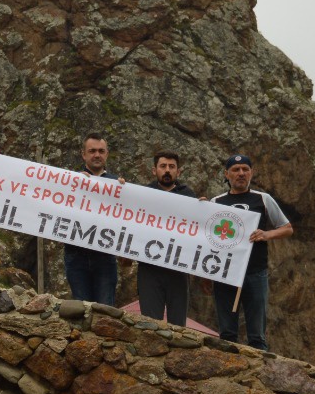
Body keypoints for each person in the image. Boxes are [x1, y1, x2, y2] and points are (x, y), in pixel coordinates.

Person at [211, 153, 293, 351]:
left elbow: (287, 228)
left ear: (251, 173)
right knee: (227, 333)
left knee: (257, 334)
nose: (241, 174)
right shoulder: (216, 202)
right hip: (225, 273)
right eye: (236, 170)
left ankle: (257, 376)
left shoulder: (263, 199)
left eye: (245, 170)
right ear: (226, 174)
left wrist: (266, 234)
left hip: (256, 272)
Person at [135, 151, 198, 325]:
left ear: (179, 171)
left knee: (178, 325)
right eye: (163, 166)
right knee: (149, 324)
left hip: (178, 268)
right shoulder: (143, 193)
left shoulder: (189, 195)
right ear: (154, 170)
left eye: (172, 167)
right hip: (149, 268)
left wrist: (203, 209)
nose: (167, 170)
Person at [63, 133, 120, 305]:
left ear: (107, 154)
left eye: (101, 151)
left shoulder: (118, 185)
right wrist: (72, 185)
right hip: (76, 255)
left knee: (105, 311)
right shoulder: (70, 181)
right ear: (84, 154)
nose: (97, 155)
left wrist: (124, 191)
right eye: (92, 151)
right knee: (81, 310)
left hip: (105, 256)